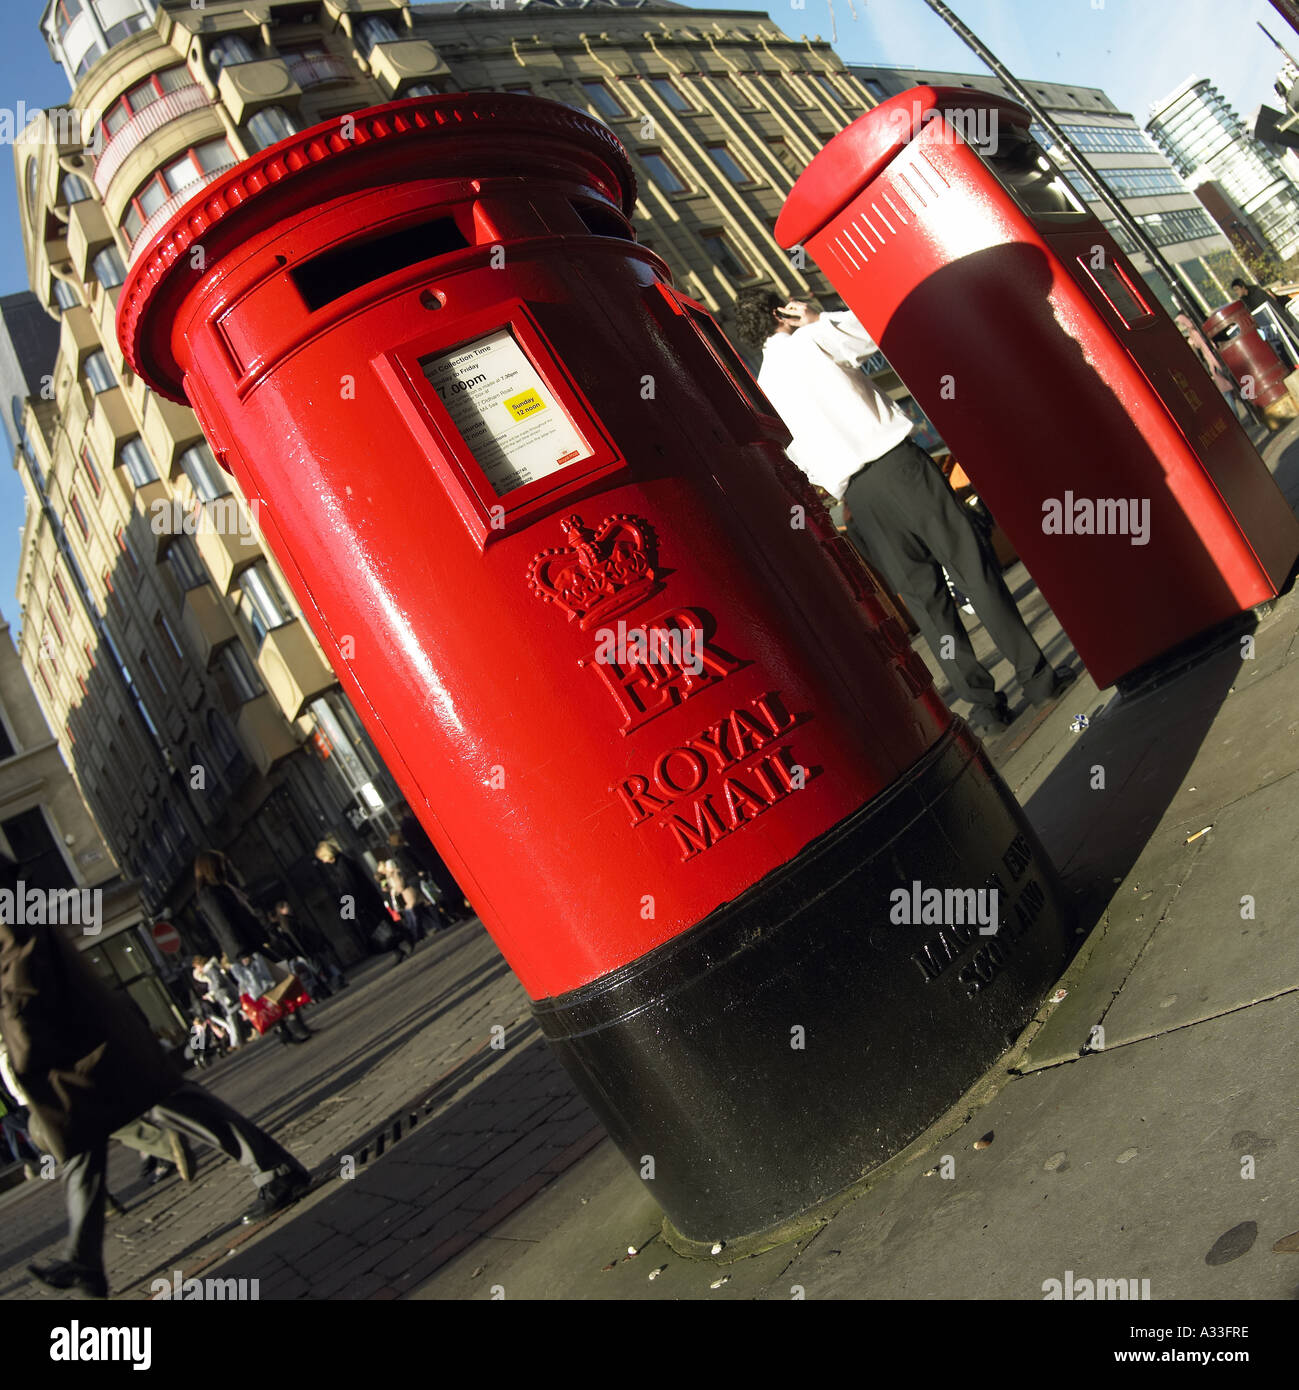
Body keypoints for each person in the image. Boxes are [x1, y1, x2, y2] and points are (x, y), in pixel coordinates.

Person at [734, 288, 1073, 737]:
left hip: (858, 498)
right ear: (781, 311)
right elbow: (869, 336)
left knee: (927, 607)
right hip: (901, 467)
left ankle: (985, 709)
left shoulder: (765, 388)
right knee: (973, 569)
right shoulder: (811, 338)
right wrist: (816, 317)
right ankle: (1039, 680)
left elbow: (797, 456)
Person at [0, 917, 312, 1299]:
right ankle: (84, 1263)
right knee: (88, 1138)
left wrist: (22, 1030)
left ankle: (274, 1168)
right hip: (75, 1042)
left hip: (79, 1041)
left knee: (168, 1105)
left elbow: (21, 964)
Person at [314, 838, 405, 962]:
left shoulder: (342, 864)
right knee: (381, 928)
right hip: (363, 902)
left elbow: (351, 887)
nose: (324, 862)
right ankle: (399, 946)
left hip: (364, 903)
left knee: (378, 929)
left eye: (323, 858)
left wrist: (351, 910)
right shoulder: (341, 863)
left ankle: (401, 940)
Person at [1175, 313, 1262, 428]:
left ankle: (1240, 418)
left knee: (1228, 393)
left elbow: (1202, 347)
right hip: (1216, 363)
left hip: (1215, 364)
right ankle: (1252, 412)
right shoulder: (1198, 328)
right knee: (1233, 391)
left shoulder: (1194, 332)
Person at [398, 807, 472, 925]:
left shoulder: (412, 823)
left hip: (433, 857)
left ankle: (459, 907)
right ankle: (457, 908)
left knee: (450, 884)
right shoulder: (408, 826)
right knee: (448, 885)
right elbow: (419, 845)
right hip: (431, 858)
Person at [193, 851, 268, 962]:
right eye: (221, 864)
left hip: (255, 943)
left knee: (285, 972)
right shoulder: (209, 893)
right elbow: (223, 924)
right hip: (248, 949)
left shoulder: (222, 887)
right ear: (213, 867)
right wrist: (242, 953)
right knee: (280, 974)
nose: (224, 868)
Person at [228, 950, 313, 1046]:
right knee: (277, 1009)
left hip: (260, 984)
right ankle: (289, 1032)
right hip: (259, 985)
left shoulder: (249, 962)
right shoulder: (243, 965)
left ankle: (286, 1034)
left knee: (276, 1010)